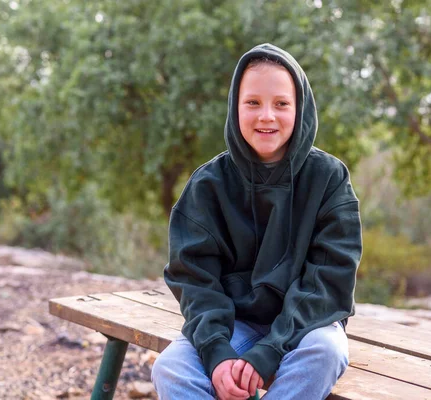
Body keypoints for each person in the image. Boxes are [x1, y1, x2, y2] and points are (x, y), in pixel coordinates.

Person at [151, 43, 362, 400]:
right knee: (169, 368)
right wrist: (217, 353)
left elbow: (330, 281)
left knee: (327, 353)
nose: (267, 116)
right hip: (235, 324)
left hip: (308, 324)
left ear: (301, 109)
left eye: (281, 104)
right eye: (253, 103)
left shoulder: (329, 178)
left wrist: (270, 351)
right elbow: (194, 280)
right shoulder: (207, 185)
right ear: (235, 108)